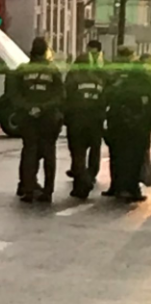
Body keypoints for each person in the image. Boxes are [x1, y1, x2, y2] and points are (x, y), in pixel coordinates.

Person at [11, 37, 65, 203]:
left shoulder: (21, 70)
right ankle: (48, 192)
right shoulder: (53, 71)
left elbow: (13, 95)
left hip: (28, 118)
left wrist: (29, 108)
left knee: (29, 152)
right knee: (49, 153)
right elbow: (60, 96)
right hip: (48, 118)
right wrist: (43, 108)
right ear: (45, 51)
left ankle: (28, 190)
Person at [104, 47, 151, 202]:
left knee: (118, 155)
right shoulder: (141, 75)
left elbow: (106, 95)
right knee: (136, 156)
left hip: (117, 120)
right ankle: (131, 188)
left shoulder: (113, 73)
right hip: (139, 121)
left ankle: (118, 186)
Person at [65, 53, 106, 199]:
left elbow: (67, 98)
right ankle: (89, 176)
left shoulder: (73, 79)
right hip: (95, 121)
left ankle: (82, 181)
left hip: (77, 120)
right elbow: (103, 101)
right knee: (94, 150)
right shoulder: (98, 80)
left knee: (78, 153)